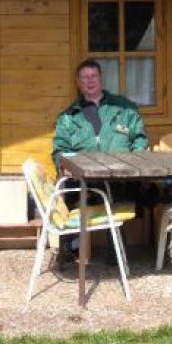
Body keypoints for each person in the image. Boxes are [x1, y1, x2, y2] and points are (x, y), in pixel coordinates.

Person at [51, 59, 148, 268]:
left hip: (120, 175)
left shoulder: (124, 108)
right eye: (85, 77)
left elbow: (140, 139)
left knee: (120, 192)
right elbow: (59, 150)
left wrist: (135, 161)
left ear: (101, 79)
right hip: (83, 178)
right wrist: (65, 166)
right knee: (69, 192)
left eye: (94, 76)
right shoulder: (68, 117)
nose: (90, 81)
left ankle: (116, 249)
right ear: (78, 82)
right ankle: (70, 247)